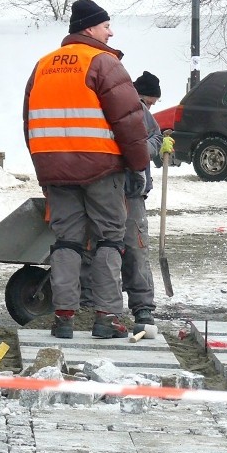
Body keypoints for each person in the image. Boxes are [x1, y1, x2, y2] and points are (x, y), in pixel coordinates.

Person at [24, 0, 149, 339]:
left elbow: (28, 122)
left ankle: (63, 317)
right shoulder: (103, 63)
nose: (111, 32)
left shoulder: (43, 66)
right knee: (110, 240)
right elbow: (128, 121)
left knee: (66, 242)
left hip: (55, 171)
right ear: (90, 28)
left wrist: (44, 166)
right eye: (107, 25)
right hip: (101, 169)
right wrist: (138, 167)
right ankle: (106, 318)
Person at [80, 71, 173, 325]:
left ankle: (141, 306)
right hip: (101, 186)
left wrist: (143, 154)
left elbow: (154, 136)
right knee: (99, 245)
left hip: (130, 191)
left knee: (134, 247)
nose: (150, 106)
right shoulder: (95, 105)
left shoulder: (136, 108)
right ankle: (89, 303)